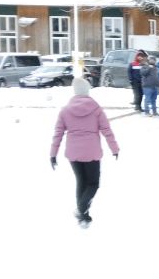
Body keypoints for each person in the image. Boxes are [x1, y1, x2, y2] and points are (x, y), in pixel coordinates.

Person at [49, 77, 119, 228]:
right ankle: (81, 210)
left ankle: (83, 215)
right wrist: (114, 148)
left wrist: (53, 154)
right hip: (91, 152)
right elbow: (106, 130)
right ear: (87, 91)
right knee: (93, 183)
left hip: (73, 153)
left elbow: (58, 133)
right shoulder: (96, 109)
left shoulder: (65, 110)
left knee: (81, 181)